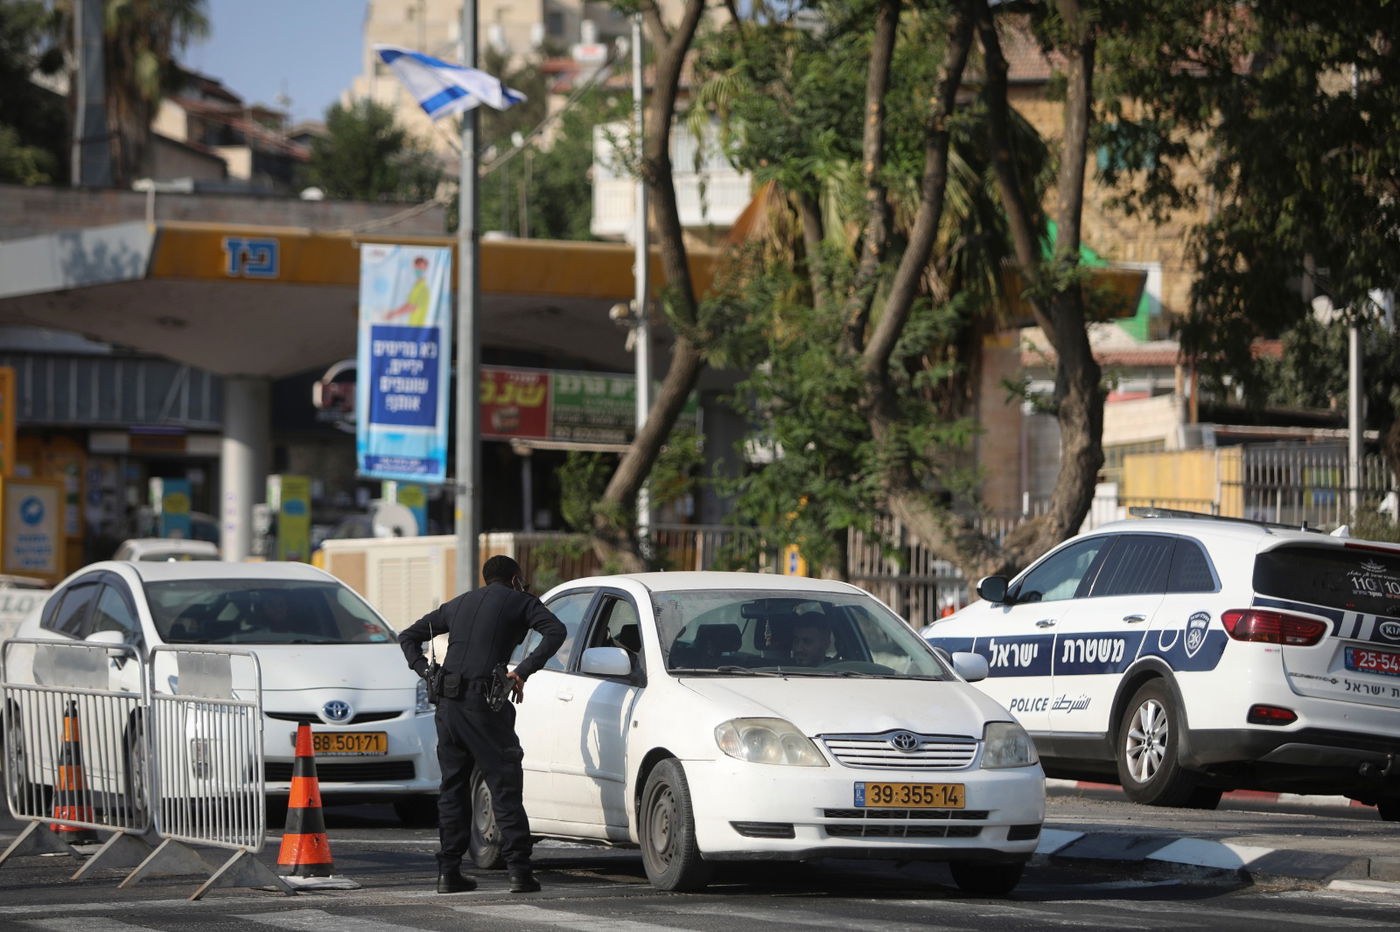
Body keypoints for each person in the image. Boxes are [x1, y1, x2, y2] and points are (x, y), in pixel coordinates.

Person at [397, 555, 565, 895]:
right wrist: (522, 671)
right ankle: (519, 872)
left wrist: (426, 671)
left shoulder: (458, 604)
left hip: (447, 706)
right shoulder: (520, 601)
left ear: (486, 578)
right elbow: (556, 631)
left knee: (453, 788)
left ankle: (449, 872)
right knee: (504, 783)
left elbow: (408, 636)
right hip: (484, 705)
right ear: (516, 577)